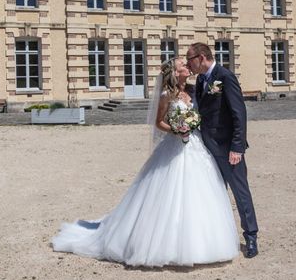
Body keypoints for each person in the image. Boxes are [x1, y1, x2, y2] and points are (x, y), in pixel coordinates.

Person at [51, 57, 239, 267]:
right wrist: (177, 130)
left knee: (201, 192)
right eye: (182, 65)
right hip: (175, 146)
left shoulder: (195, 90)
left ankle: (205, 241)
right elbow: (158, 122)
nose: (187, 66)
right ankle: (165, 244)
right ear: (176, 73)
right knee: (168, 193)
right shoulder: (167, 95)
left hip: (196, 146)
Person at [185, 42, 259, 258]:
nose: (189, 64)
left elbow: (239, 114)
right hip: (206, 148)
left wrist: (237, 147)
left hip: (228, 148)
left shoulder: (225, 77)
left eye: (190, 59)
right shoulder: (200, 79)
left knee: (240, 191)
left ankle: (251, 236)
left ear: (201, 57)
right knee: (214, 194)